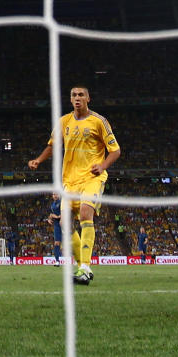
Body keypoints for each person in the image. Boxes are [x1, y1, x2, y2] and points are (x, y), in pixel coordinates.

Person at [28, 85, 120, 285]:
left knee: (86, 214)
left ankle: (85, 267)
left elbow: (115, 151)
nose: (77, 98)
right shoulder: (64, 121)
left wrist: (102, 166)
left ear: (88, 98)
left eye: (81, 95)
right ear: (70, 100)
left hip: (92, 178)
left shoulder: (99, 121)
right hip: (69, 182)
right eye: (73, 95)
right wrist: (38, 160)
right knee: (65, 223)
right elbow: (52, 145)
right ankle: (82, 268)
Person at [47, 193, 62, 265]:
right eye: (53, 194)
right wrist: (49, 219)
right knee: (56, 243)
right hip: (56, 225)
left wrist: (56, 216)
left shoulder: (62, 202)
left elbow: (64, 213)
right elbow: (51, 214)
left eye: (56, 194)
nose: (55, 195)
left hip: (64, 224)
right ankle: (57, 261)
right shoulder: (52, 205)